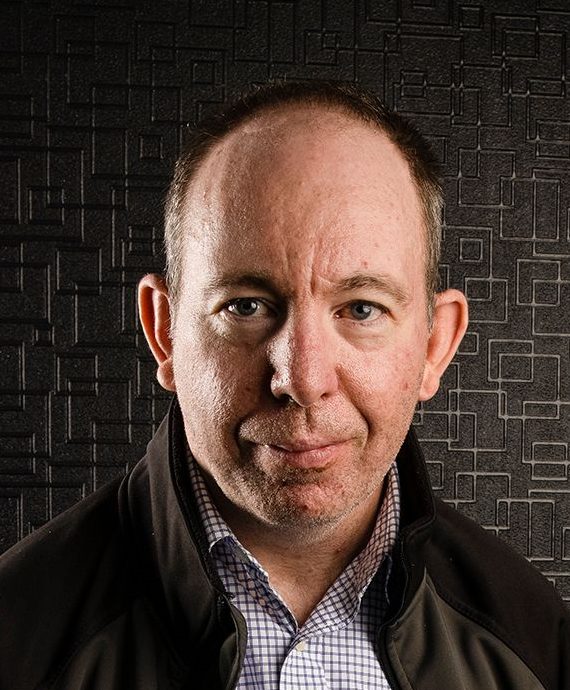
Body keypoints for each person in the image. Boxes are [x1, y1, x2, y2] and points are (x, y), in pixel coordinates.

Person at [0, 81, 567, 690]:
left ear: (435, 346)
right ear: (165, 333)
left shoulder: (539, 650)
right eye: (246, 306)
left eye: (362, 309)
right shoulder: (16, 639)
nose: (302, 379)